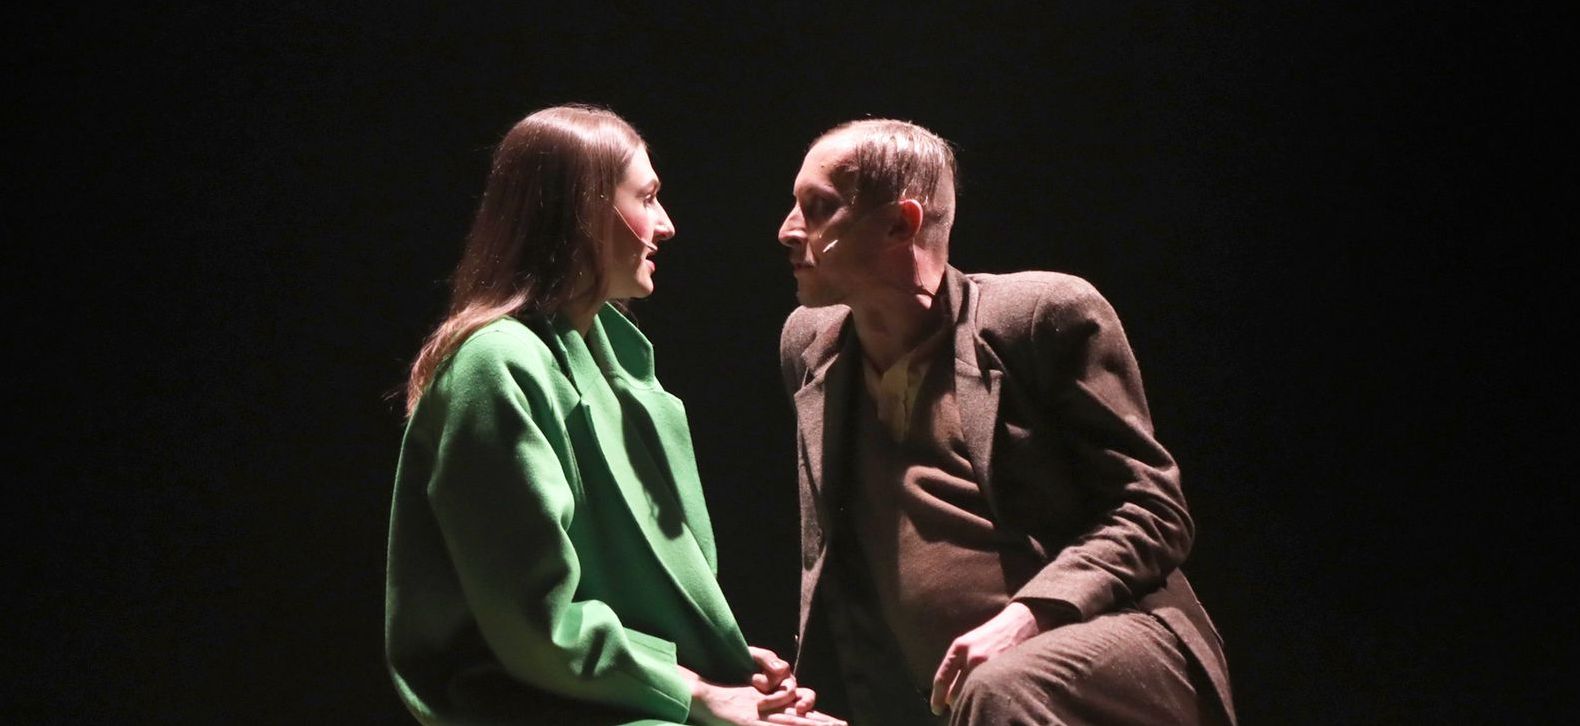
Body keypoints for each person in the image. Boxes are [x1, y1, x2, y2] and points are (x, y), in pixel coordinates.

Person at [386, 104, 843, 726]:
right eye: (647, 198)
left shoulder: (611, 358)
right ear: (583, 211)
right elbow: (536, 622)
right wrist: (697, 691)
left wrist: (721, 664)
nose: (667, 225)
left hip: (613, 694)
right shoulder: (495, 364)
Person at [774, 119, 1237, 725]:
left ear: (900, 225)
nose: (788, 230)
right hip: (945, 695)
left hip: (1113, 639)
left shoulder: (1039, 317)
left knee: (1000, 688)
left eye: (818, 208)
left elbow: (1153, 512)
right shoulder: (811, 348)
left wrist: (1029, 615)